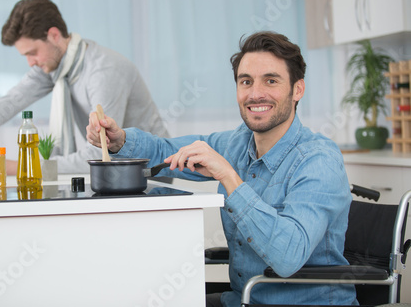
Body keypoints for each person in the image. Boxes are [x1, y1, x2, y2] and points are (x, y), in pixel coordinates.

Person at [86, 31, 356, 306]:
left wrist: (228, 176)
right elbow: (167, 151)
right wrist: (120, 140)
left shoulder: (319, 160)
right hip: (242, 299)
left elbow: (287, 257)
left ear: (297, 89)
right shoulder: (237, 143)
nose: (255, 94)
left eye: (271, 80)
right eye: (246, 81)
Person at [0, 0, 169, 174]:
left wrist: (22, 167)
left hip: (154, 175)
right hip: (122, 175)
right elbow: (10, 101)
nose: (31, 62)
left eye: (32, 53)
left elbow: (102, 154)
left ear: (54, 35)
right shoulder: (57, 68)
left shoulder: (103, 72)